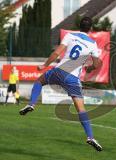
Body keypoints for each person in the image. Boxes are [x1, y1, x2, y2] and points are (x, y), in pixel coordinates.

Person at [19, 17, 103, 151]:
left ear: (79, 25)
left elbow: (56, 52)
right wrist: (91, 68)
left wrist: (44, 65)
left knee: (39, 81)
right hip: (73, 79)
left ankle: (31, 104)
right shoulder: (93, 44)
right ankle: (90, 137)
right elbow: (97, 63)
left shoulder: (70, 35)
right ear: (91, 29)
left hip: (59, 71)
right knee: (81, 109)